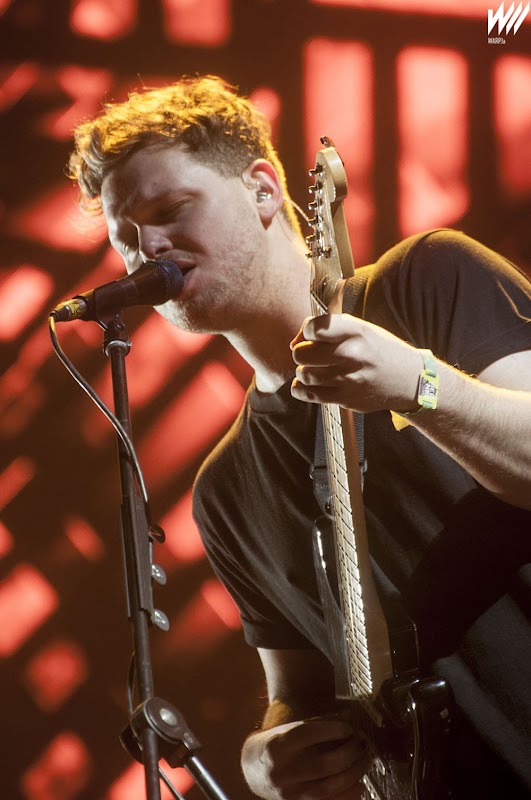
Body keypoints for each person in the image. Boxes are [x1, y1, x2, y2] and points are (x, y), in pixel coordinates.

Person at [68, 75, 531, 799]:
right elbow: (298, 689)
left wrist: (417, 384)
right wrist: (266, 757)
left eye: (169, 211)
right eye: (126, 238)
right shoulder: (224, 491)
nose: (146, 248)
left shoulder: (424, 280)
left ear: (261, 189)